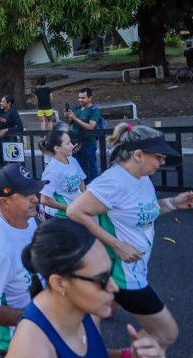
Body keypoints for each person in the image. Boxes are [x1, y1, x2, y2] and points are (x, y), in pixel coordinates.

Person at [67, 123, 193, 351]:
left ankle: (86, 343)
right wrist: (116, 245)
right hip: (124, 274)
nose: (162, 162)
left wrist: (174, 203)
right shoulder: (113, 182)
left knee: (104, 311)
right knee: (166, 333)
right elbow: (74, 211)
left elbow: (145, 212)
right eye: (159, 156)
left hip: (135, 267)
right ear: (138, 155)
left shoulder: (142, 178)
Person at [7, 219, 165, 358]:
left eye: (111, 272)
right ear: (59, 283)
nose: (114, 287)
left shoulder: (87, 307)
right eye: (101, 280)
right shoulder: (31, 349)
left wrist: (128, 356)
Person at [0, 164, 47, 354]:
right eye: (25, 195)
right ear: (4, 202)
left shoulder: (25, 218)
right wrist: (34, 317)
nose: (35, 198)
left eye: (33, 191)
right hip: (12, 337)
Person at [38, 130, 85, 220]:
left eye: (71, 142)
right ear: (57, 148)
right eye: (68, 144)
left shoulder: (72, 160)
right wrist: (69, 208)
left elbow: (82, 182)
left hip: (75, 213)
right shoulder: (52, 171)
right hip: (59, 217)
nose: (72, 145)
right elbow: (44, 199)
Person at [64, 87, 100, 182]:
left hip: (88, 142)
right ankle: (81, 186)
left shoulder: (94, 110)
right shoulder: (76, 108)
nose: (80, 100)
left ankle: (94, 187)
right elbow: (68, 124)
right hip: (76, 142)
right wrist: (67, 118)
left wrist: (75, 118)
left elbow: (91, 126)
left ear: (90, 98)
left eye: (83, 98)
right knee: (77, 165)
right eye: (79, 97)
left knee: (91, 166)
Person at [0, 95, 24, 164]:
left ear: (9, 103)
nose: (1, 103)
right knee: (2, 160)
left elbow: (20, 127)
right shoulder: (0, 110)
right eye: (1, 101)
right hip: (1, 139)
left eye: (3, 102)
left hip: (10, 140)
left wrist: (6, 130)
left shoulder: (13, 112)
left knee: (12, 161)